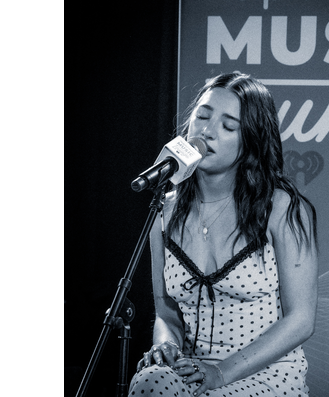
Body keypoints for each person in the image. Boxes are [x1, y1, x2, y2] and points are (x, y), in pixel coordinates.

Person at [129, 72, 318, 397]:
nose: (207, 131)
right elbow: (167, 313)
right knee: (150, 381)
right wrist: (165, 345)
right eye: (202, 117)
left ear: (250, 142)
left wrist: (220, 372)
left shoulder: (280, 207)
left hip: (262, 376)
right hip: (193, 373)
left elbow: (301, 319)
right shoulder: (164, 209)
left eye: (228, 126)